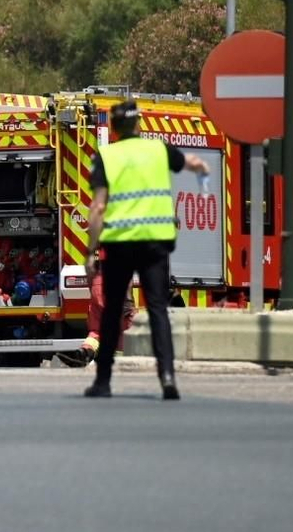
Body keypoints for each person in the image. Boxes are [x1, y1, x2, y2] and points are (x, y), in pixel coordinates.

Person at [82, 100, 209, 401]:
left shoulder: (106, 156)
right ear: (138, 124)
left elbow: (98, 207)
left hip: (120, 244)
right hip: (155, 242)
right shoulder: (158, 149)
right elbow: (190, 162)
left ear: (113, 128)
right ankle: (167, 378)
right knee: (157, 310)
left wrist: (90, 252)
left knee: (112, 311)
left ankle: (103, 381)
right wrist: (201, 168)